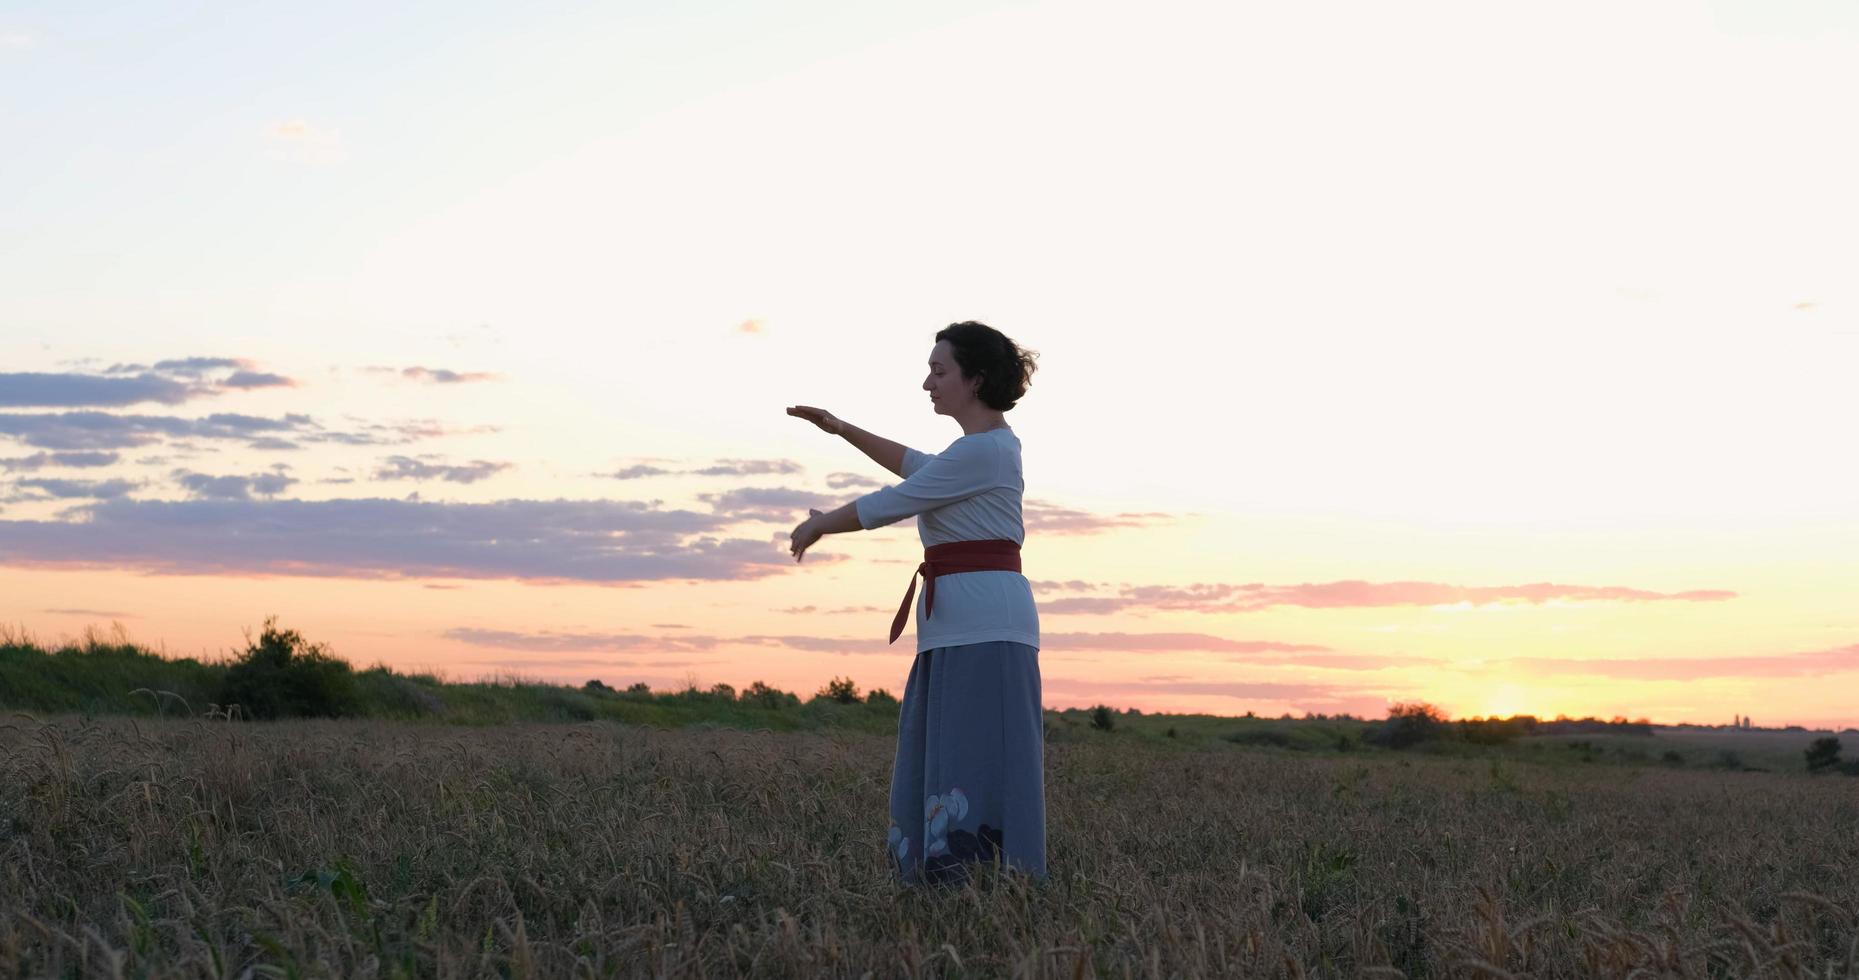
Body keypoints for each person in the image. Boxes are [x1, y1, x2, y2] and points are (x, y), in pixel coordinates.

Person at [785, 320, 1045, 887]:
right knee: (945, 757)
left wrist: (821, 525)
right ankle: (943, 883)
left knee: (978, 759)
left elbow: (898, 499)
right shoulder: (972, 455)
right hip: (953, 627)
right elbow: (913, 466)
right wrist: (839, 428)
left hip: (988, 626)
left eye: (938, 371)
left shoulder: (990, 451)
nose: (927, 383)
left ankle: (991, 886)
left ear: (974, 380)